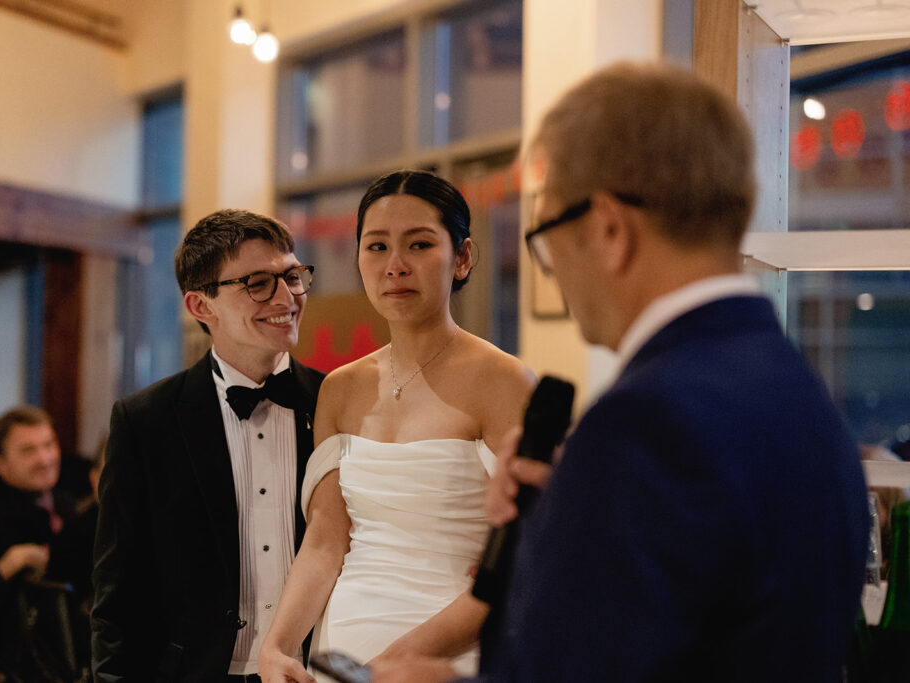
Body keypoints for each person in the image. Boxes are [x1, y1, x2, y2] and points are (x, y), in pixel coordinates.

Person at [378, 61, 871, 683]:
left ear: (609, 229)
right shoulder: (801, 393)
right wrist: (552, 526)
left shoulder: (644, 427)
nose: (552, 267)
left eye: (548, 233)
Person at [258, 170, 535, 682]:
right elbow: (325, 539)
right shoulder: (340, 388)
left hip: (448, 652)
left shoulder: (504, 380)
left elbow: (524, 557)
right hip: (343, 645)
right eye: (377, 246)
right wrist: (277, 645)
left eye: (420, 244)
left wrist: (394, 664)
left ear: (464, 257)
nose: (395, 266)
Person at [91, 209, 325, 682]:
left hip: (316, 671)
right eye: (258, 282)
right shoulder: (145, 420)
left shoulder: (336, 402)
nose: (287, 296)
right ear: (201, 306)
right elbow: (119, 594)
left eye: (292, 276)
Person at [0, 405, 87, 680]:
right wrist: (8, 565)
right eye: (28, 450)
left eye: (48, 444)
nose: (45, 458)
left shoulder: (68, 504)